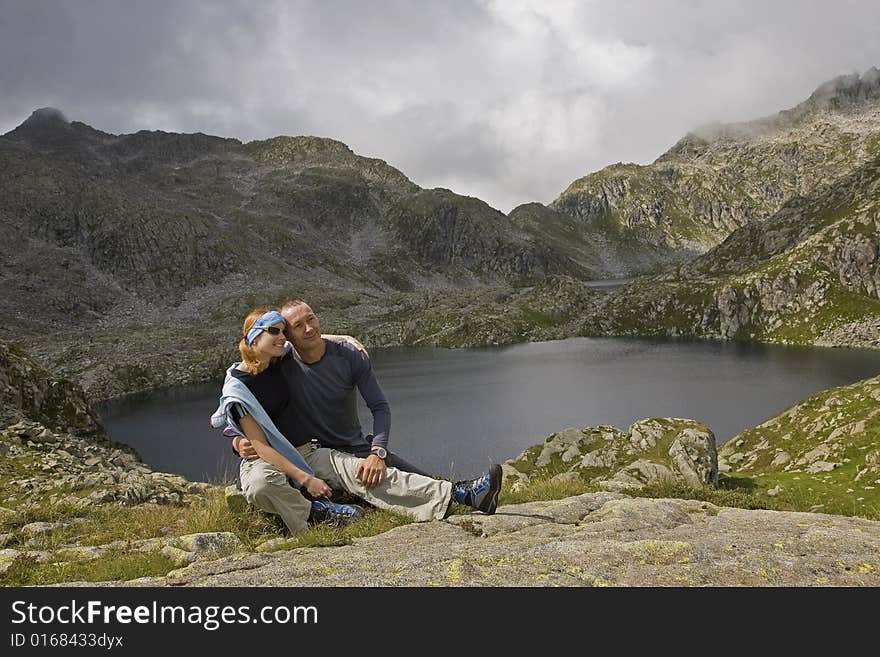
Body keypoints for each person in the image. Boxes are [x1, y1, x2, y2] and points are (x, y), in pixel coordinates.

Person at [212, 309, 502, 534]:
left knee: (366, 473)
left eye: (283, 332)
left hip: (306, 451)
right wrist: (304, 479)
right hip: (266, 459)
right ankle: (317, 514)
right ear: (253, 337)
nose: (282, 337)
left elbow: (309, 339)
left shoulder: (278, 358)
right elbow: (258, 444)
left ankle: (464, 495)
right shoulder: (237, 388)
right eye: (273, 331)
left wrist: (343, 338)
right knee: (261, 485)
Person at [234, 298, 429, 479]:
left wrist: (378, 451)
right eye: (298, 326)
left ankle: (452, 492)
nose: (309, 328)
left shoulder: (351, 355)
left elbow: (379, 407)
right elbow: (240, 401)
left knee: (412, 478)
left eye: (311, 319)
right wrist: (236, 443)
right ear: (287, 336)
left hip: (352, 448)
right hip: (308, 455)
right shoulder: (278, 361)